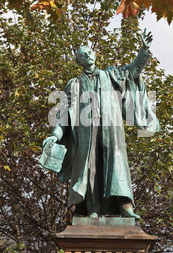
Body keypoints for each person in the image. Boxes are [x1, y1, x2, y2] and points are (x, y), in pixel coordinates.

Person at [41, 30, 160, 218]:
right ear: (79, 62)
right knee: (89, 170)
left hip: (111, 131)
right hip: (85, 134)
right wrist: (55, 135)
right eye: (82, 55)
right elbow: (63, 114)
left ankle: (125, 206)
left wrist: (144, 50)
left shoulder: (112, 75)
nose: (87, 55)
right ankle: (92, 210)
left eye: (89, 51)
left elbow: (133, 70)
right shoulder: (74, 84)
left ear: (95, 55)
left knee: (116, 164)